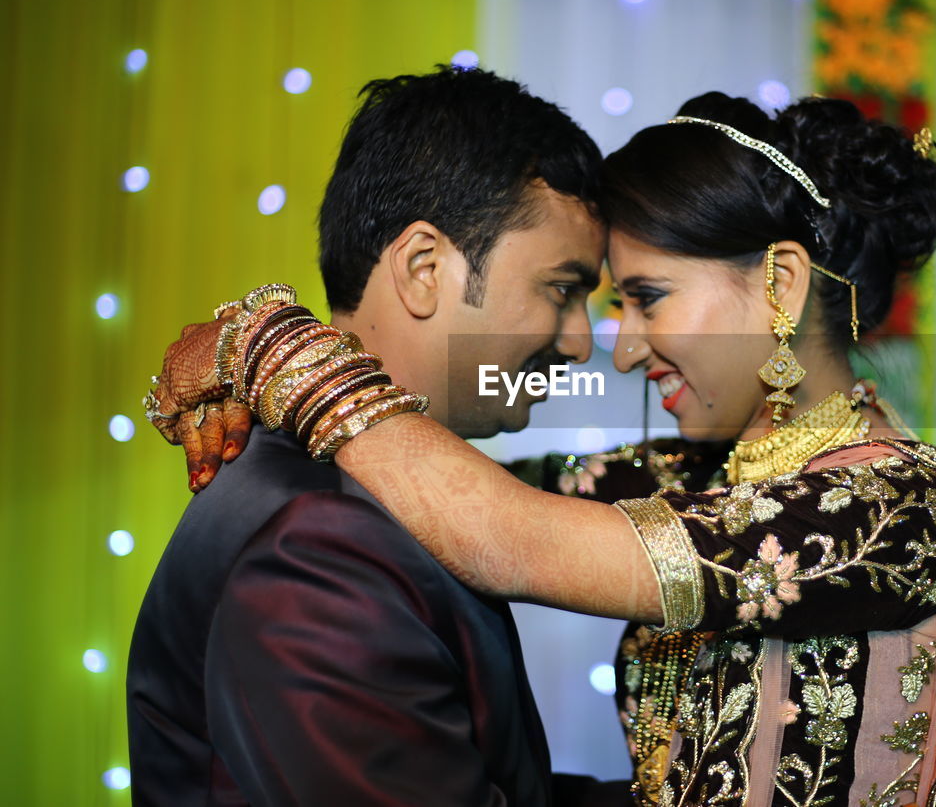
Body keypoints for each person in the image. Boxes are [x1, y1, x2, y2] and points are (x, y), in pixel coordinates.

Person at [155, 93, 936, 807]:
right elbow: (440, 492)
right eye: (588, 298)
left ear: (781, 285)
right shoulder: (685, 474)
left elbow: (507, 532)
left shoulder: (905, 504)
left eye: (648, 298)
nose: (618, 350)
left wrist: (270, 344)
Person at [127, 67, 634, 806]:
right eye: (562, 288)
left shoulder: (385, 489)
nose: (582, 343)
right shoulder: (321, 542)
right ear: (425, 269)